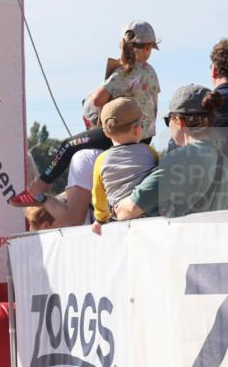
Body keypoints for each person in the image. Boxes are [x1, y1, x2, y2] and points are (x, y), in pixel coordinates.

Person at [11, 21, 160, 206]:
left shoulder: (125, 72)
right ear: (149, 47)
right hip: (145, 136)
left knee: (68, 145)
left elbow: (97, 100)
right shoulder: (151, 72)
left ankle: (37, 189)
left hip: (125, 131)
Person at [116, 85, 228, 220]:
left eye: (167, 120)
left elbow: (129, 209)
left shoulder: (180, 160)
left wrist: (113, 208)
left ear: (179, 121)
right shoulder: (223, 159)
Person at [90, 98, 158, 234]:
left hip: (121, 221)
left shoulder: (101, 160)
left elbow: (98, 195)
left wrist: (100, 219)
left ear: (106, 132)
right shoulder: (149, 152)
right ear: (137, 129)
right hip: (152, 217)